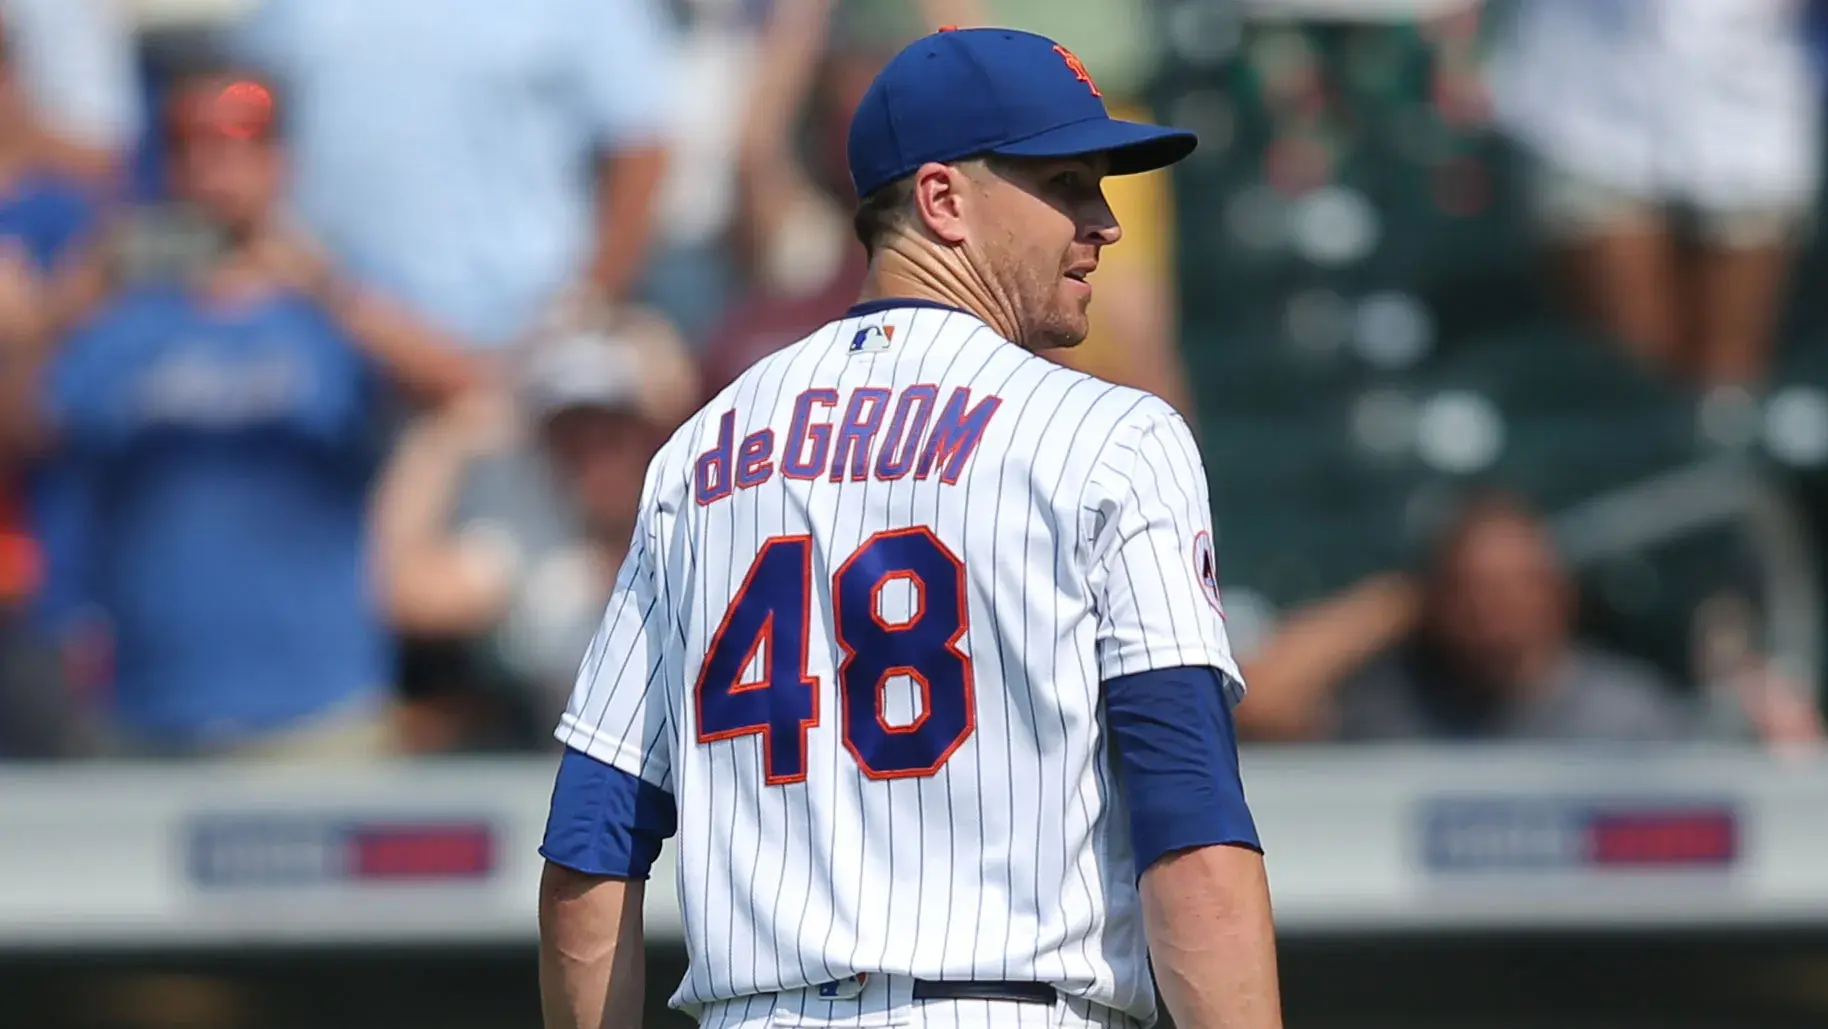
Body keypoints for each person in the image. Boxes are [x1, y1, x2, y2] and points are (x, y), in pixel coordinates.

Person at [537, 26, 1281, 1029]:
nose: (1102, 221)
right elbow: (1187, 817)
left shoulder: (698, 453)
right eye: (1066, 184)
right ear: (940, 201)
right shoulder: (1111, 434)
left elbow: (592, 833)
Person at [3, 66, 474, 758]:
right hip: (150, 709)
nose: (212, 168)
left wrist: (322, 284)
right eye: (188, 146)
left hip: (316, 708)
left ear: (282, 160)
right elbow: (25, 432)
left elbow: (462, 387)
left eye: (238, 144)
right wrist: (59, 307)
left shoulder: (335, 302)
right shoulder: (125, 313)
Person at [226, 0, 677, 351]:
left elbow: (640, 146)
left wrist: (588, 305)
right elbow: (242, 109)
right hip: (333, 337)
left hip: (522, 349)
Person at [372, 310, 699, 748]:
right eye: (571, 435)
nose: (594, 454)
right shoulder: (522, 548)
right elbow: (399, 589)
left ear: (644, 431)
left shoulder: (692, 521)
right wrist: (444, 438)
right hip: (567, 791)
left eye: (612, 430)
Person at [1487, 0, 1821, 390]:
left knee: (1728, 382)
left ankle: (1720, 447)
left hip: (1755, 97)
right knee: (1630, 375)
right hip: (1585, 102)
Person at [1235, 492, 1702, 743]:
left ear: (1561, 596)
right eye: (1472, 589)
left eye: (1518, 587)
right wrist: (1391, 602)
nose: (1494, 610)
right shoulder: (1388, 706)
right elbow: (1253, 702)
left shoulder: (1627, 716)